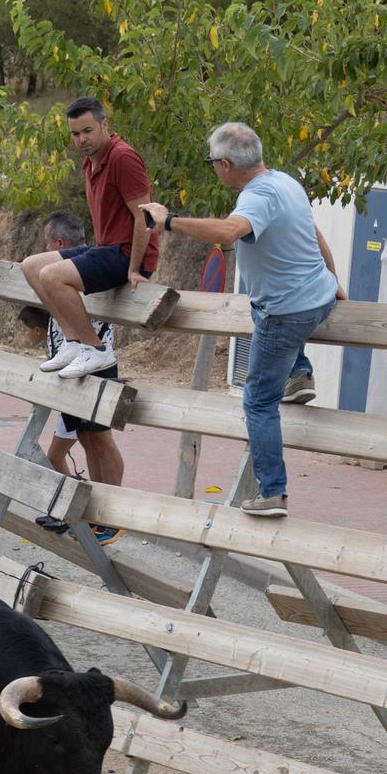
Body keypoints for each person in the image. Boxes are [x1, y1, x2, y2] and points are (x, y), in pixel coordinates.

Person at [141, 121, 344, 518]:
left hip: (286, 314)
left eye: (212, 162)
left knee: (258, 401)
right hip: (319, 298)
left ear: (225, 164)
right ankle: (300, 374)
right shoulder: (286, 182)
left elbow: (231, 231)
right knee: (263, 307)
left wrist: (168, 221)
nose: (213, 168)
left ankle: (273, 492)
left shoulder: (258, 197)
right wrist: (334, 279)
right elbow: (313, 232)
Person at [21, 98, 156, 381]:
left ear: (104, 124)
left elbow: (146, 217)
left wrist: (134, 267)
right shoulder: (89, 162)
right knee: (31, 267)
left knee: (52, 276)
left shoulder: (122, 157)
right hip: (106, 249)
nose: (82, 139)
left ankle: (95, 347)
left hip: (126, 253)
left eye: (87, 130)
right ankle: (72, 341)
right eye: (75, 134)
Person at [27, 214, 123, 539]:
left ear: (59, 244)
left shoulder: (88, 268)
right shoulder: (69, 268)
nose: (45, 250)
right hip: (71, 363)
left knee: (99, 438)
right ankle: (90, 514)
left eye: (47, 243)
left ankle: (110, 516)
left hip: (96, 364)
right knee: (84, 439)